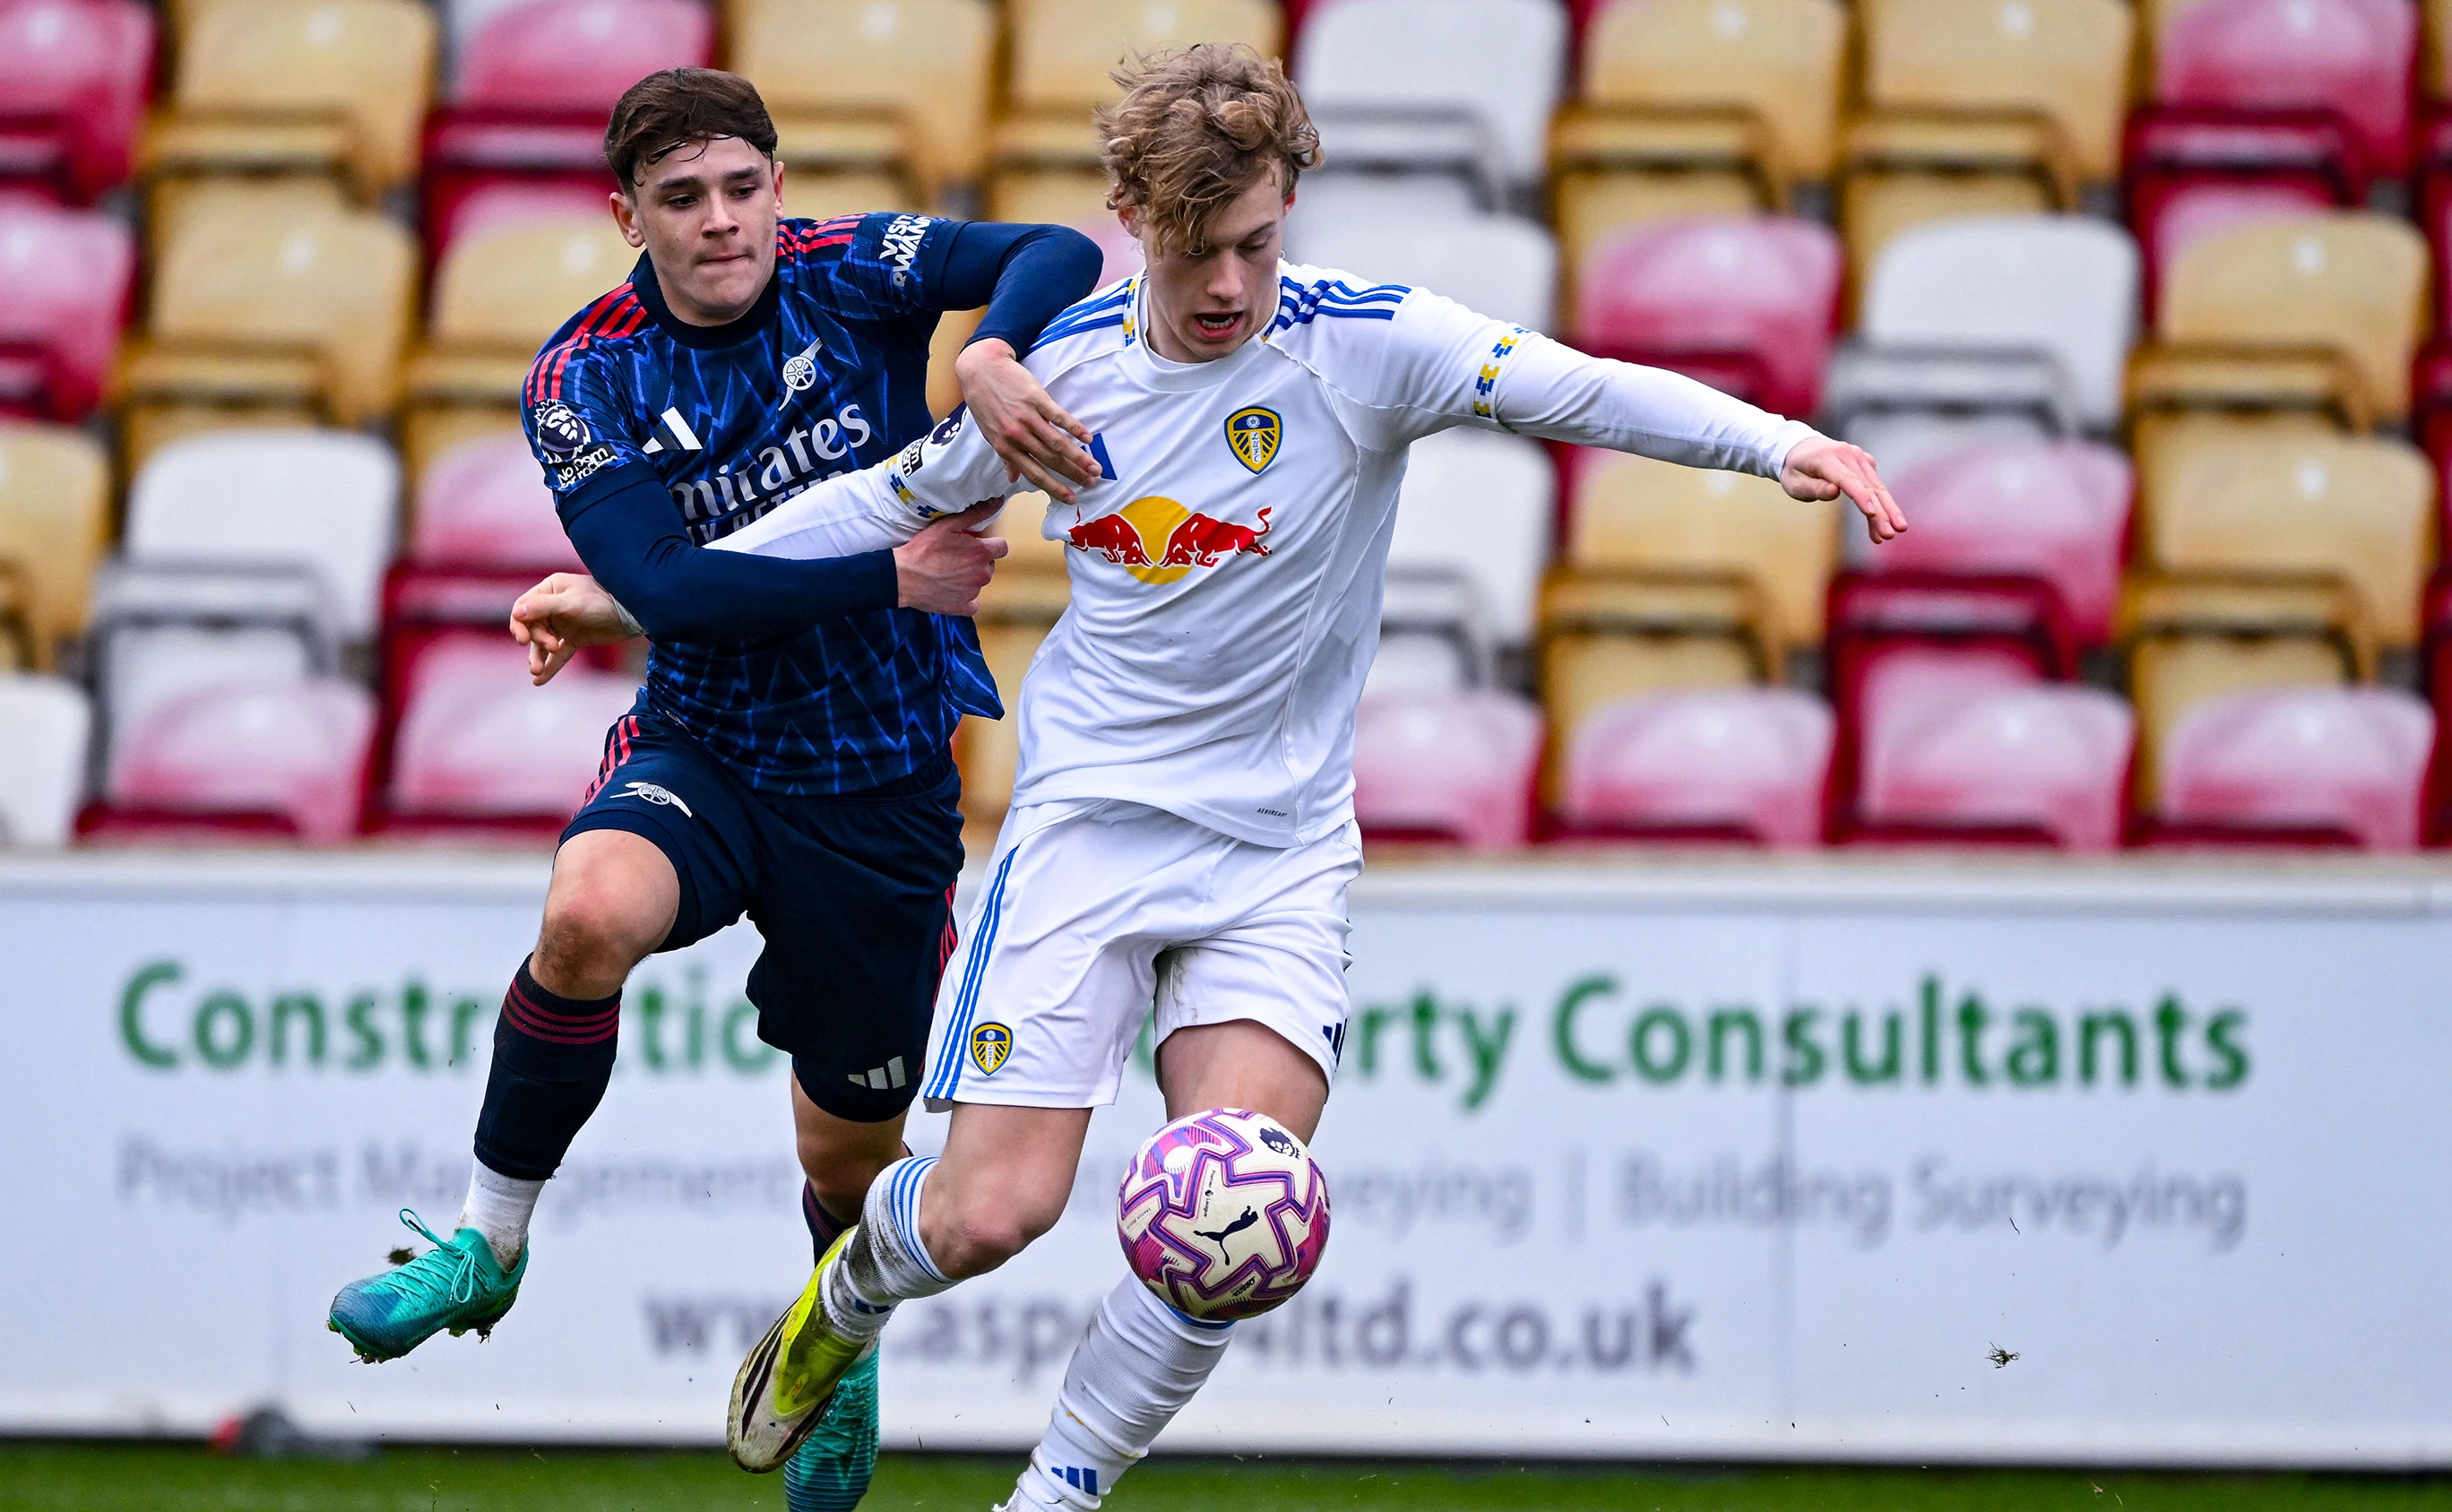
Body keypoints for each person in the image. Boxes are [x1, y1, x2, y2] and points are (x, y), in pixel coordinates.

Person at [513, 44, 1904, 1511]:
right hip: (1090, 831)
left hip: (1278, 851)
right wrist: (627, 601)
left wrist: (1782, 444)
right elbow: (873, 506)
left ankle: (1057, 1491)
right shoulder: (1063, 377)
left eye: (1254, 240)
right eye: (1194, 250)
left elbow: (1574, 387)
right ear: (1130, 215)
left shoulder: (1365, 345)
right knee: (992, 1215)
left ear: (1289, 202)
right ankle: (847, 1301)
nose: (1229, 283)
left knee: (1239, 1211)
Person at [322, 65, 1105, 1512]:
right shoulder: (585, 376)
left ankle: (836, 1335)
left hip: (879, 782)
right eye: (683, 199)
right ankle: (488, 1245)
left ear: (776, 187)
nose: (724, 222)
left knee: (848, 1148)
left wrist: (991, 351)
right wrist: (893, 572)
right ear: (628, 214)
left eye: (744, 187)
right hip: (711, 751)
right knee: (586, 913)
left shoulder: (849, 271)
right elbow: (671, 588)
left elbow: (1057, 252)